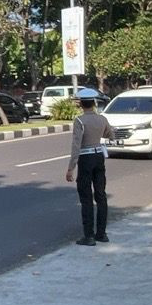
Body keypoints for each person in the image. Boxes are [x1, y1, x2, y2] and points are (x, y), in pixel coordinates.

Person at [65, 89, 115, 246]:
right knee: (101, 195)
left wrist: (70, 168)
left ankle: (89, 236)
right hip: (99, 156)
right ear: (94, 103)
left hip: (85, 159)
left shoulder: (79, 121)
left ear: (81, 104)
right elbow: (110, 135)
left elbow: (76, 146)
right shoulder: (102, 119)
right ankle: (102, 233)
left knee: (86, 197)